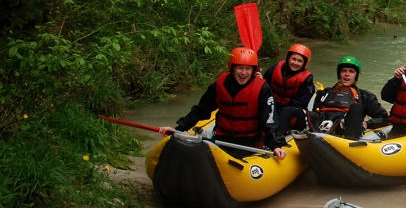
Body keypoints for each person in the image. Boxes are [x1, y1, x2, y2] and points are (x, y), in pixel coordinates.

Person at [159, 47, 287, 160]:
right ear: (232, 68)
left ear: (253, 71)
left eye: (248, 69)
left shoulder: (263, 89)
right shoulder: (220, 85)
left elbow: (269, 120)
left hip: (248, 142)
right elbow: (200, 110)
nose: (243, 73)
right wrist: (179, 130)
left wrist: (275, 145)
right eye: (240, 68)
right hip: (221, 138)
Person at [309, 56, 389, 140]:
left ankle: (351, 140)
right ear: (339, 74)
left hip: (347, 135)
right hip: (322, 130)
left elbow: (383, 117)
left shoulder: (365, 96)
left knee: (356, 107)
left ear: (356, 76)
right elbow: (315, 112)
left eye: (351, 71)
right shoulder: (324, 93)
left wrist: (366, 124)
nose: (347, 74)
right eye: (344, 71)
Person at [264, 43, 315, 134]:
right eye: (293, 59)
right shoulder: (275, 68)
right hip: (273, 107)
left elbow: (299, 104)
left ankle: (278, 138)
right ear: (288, 58)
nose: (295, 63)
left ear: (305, 64)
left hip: (294, 114)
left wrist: (276, 113)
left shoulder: (307, 80)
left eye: (300, 61)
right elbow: (264, 88)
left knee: (287, 111)